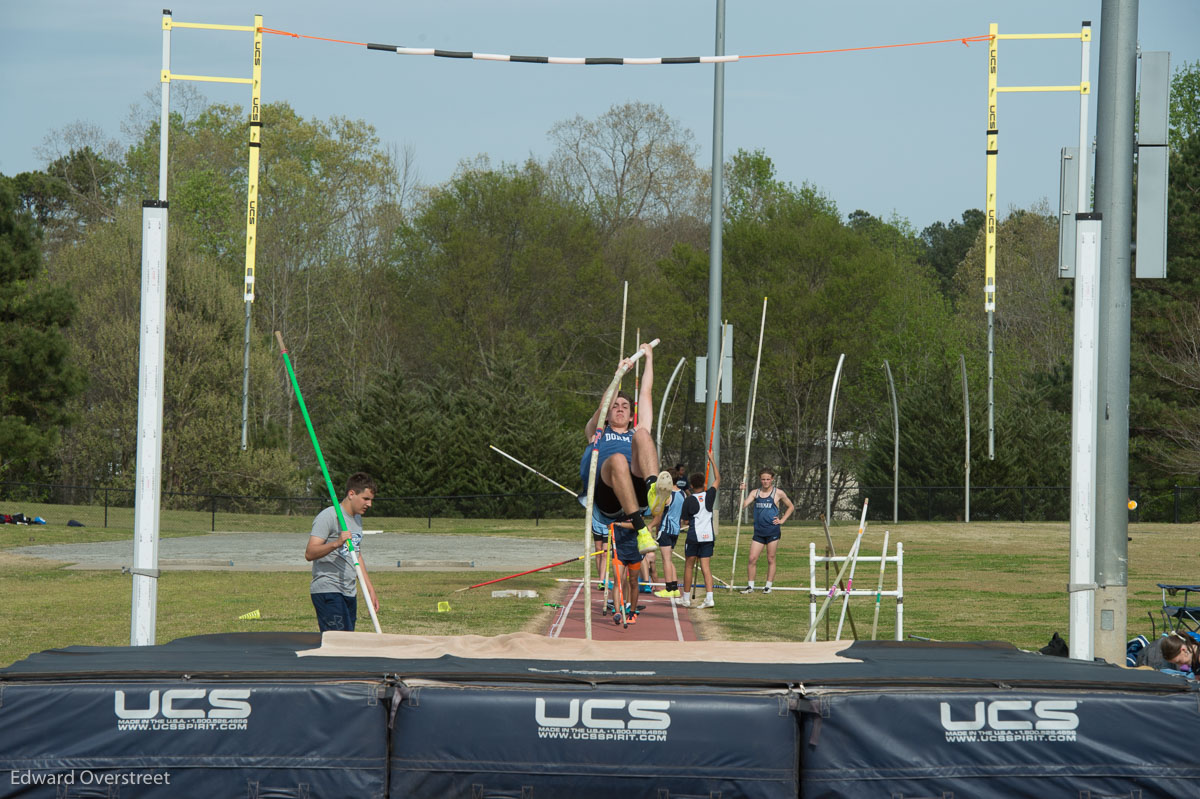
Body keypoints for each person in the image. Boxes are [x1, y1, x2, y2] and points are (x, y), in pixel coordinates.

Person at [305, 472, 379, 632]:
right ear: (351, 494)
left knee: (347, 642)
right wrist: (336, 543)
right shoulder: (329, 516)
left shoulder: (357, 519)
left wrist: (369, 589)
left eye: (371, 500)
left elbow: (357, 555)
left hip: (349, 591)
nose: (369, 504)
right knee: (338, 643)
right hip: (328, 589)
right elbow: (310, 553)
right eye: (366, 499)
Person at [738, 468, 796, 595]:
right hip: (758, 532)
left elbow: (791, 506)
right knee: (752, 558)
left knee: (771, 558)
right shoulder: (755, 493)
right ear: (760, 479)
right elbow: (742, 505)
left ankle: (768, 586)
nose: (765, 482)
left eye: (768, 479)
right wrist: (741, 492)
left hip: (772, 531)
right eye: (763, 479)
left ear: (772, 480)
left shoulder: (778, 493)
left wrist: (782, 520)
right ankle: (750, 586)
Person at [680, 452, 720, 609]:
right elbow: (717, 479)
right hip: (708, 537)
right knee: (706, 567)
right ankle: (710, 598)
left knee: (689, 566)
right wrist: (713, 461)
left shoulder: (689, 500)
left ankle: (686, 598)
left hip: (694, 537)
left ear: (690, 485)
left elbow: (685, 520)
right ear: (704, 484)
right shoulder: (710, 495)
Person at [651, 473, 687, 598]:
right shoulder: (683, 494)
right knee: (669, 559)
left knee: (666, 560)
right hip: (676, 530)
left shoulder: (667, 495)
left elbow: (658, 514)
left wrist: (651, 527)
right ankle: (674, 588)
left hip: (666, 529)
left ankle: (668, 588)